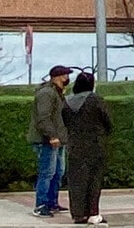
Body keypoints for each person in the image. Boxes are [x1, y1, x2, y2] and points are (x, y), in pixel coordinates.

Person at [62, 70, 114, 226]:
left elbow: (64, 122)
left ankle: (78, 214)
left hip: (75, 146)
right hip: (95, 145)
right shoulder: (95, 99)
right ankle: (93, 213)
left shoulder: (67, 102)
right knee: (93, 180)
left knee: (77, 181)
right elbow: (107, 121)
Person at [28, 64, 72, 217]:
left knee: (58, 172)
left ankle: (52, 202)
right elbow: (43, 118)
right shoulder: (46, 93)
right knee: (47, 172)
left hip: (58, 140)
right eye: (65, 75)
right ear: (56, 77)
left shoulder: (57, 93)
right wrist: (52, 136)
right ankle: (41, 205)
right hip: (47, 140)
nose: (67, 78)